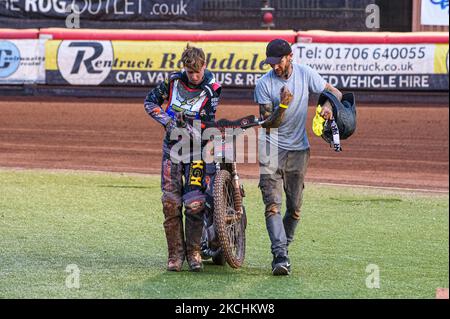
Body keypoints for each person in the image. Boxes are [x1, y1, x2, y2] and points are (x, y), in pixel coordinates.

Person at [254, 39, 342, 276]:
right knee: (272, 205)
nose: (274, 67)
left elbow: (334, 92)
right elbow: (268, 124)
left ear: (289, 57)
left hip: (298, 150)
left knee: (294, 209)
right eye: (270, 63)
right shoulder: (263, 84)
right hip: (270, 148)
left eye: (278, 62)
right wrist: (282, 106)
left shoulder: (305, 73)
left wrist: (327, 107)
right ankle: (280, 255)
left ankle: (283, 248)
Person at [144, 44, 221, 272]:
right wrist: (167, 121)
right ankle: (175, 256)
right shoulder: (172, 82)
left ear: (204, 66)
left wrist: (186, 124)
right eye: (190, 72)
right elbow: (149, 102)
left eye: (197, 72)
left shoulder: (211, 89)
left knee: (195, 203)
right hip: (172, 149)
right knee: (170, 203)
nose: (194, 77)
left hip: (197, 151)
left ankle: (194, 253)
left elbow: (208, 123)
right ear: (184, 68)